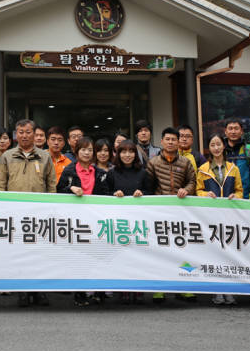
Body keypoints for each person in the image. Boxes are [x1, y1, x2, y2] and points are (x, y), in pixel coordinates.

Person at [0, 119, 56, 307]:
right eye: (20, 132)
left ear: (34, 133)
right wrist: (2, 209)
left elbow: (51, 185)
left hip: (39, 214)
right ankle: (22, 290)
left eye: (28, 132)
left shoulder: (44, 156)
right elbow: (0, 185)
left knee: (40, 253)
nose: (24, 135)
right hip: (15, 213)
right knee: (20, 253)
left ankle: (40, 290)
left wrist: (50, 209)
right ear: (16, 134)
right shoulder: (7, 156)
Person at [57, 136, 110, 307]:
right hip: (77, 222)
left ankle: (99, 292)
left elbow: (107, 195)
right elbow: (58, 191)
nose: (87, 153)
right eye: (83, 150)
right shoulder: (69, 171)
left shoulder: (101, 173)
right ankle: (80, 293)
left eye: (89, 150)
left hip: (96, 221)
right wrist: (70, 188)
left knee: (99, 256)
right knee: (79, 258)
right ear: (76, 152)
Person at [146, 127, 196, 304]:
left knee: (182, 249)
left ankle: (184, 288)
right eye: (167, 139)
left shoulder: (186, 162)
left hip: (181, 212)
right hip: (160, 212)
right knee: (160, 250)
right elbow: (148, 187)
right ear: (162, 142)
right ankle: (159, 289)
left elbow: (192, 181)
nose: (170, 142)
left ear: (178, 142)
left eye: (174, 139)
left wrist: (187, 190)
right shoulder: (153, 163)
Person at [196, 133, 243, 306]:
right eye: (212, 145)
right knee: (214, 253)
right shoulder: (203, 169)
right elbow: (198, 190)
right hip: (210, 216)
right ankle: (217, 291)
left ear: (223, 147)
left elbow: (239, 190)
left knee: (229, 253)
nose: (216, 147)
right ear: (209, 148)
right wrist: (204, 194)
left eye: (218, 144)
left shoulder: (233, 168)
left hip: (229, 216)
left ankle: (230, 290)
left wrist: (235, 196)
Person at [106, 140, 152, 305]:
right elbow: (105, 194)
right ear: (118, 154)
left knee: (138, 255)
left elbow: (151, 192)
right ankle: (123, 288)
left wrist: (142, 193)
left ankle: (138, 288)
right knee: (121, 255)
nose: (127, 155)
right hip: (119, 221)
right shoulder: (112, 173)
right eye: (123, 152)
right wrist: (114, 194)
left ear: (135, 154)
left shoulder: (143, 172)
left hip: (139, 221)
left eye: (130, 152)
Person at [223, 119, 250, 200]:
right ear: (225, 132)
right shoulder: (220, 151)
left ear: (241, 131)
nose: (233, 132)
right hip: (224, 200)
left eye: (236, 128)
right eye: (230, 128)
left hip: (246, 199)